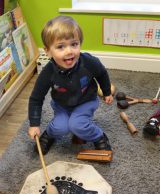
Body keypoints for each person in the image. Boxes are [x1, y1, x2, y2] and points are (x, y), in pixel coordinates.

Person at [28, 16, 113, 155]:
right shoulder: (47, 72)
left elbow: (102, 73)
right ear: (48, 51)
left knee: (77, 125)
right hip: (62, 105)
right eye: (60, 46)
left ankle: (99, 136)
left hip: (86, 101)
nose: (69, 51)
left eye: (74, 44)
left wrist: (107, 91)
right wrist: (34, 124)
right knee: (60, 127)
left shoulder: (89, 62)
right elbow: (36, 99)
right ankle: (49, 134)